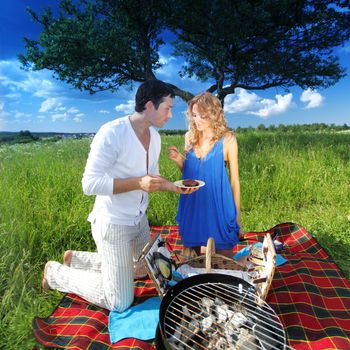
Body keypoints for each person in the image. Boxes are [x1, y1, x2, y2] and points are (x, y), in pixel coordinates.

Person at [41, 79, 195, 312]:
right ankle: (56, 273)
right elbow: (89, 184)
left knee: (146, 268)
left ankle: (78, 259)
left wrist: (176, 187)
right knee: (120, 301)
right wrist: (137, 183)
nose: (171, 114)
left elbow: (152, 179)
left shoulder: (155, 137)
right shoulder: (112, 132)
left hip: (139, 220)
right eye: (168, 108)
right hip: (113, 224)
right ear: (150, 106)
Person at [168, 92, 243, 258]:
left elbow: (235, 181)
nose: (197, 120)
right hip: (193, 203)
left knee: (224, 260)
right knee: (192, 259)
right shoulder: (189, 137)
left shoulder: (228, 139)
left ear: (214, 115)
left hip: (218, 204)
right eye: (194, 115)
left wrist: (238, 216)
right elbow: (189, 176)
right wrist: (178, 160)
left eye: (202, 116)